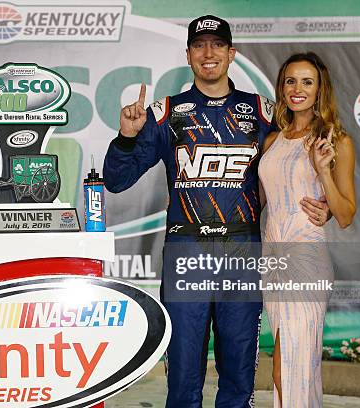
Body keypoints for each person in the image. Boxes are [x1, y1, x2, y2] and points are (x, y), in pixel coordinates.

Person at [103, 16, 330, 408]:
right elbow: (115, 180)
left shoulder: (261, 111)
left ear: (231, 53)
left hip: (243, 248)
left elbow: (299, 158)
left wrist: (323, 201)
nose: (209, 53)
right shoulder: (166, 112)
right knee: (184, 368)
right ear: (188, 54)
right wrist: (126, 136)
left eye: (217, 45)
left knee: (239, 371)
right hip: (186, 249)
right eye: (200, 45)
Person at [259, 52, 356, 407]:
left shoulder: (336, 141)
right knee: (289, 369)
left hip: (306, 260)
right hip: (273, 263)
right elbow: (259, 201)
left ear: (320, 90)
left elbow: (345, 213)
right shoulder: (273, 141)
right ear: (282, 88)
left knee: (291, 368)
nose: (297, 89)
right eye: (290, 81)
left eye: (307, 81)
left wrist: (323, 171)